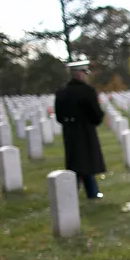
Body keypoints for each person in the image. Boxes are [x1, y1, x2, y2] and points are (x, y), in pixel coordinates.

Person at [55, 59, 106, 200]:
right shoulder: (87, 91)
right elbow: (96, 115)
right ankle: (89, 193)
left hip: (69, 132)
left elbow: (59, 116)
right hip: (85, 131)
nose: (86, 76)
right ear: (79, 74)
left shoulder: (61, 92)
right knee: (86, 163)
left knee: (76, 162)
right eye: (84, 73)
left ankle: (86, 192)